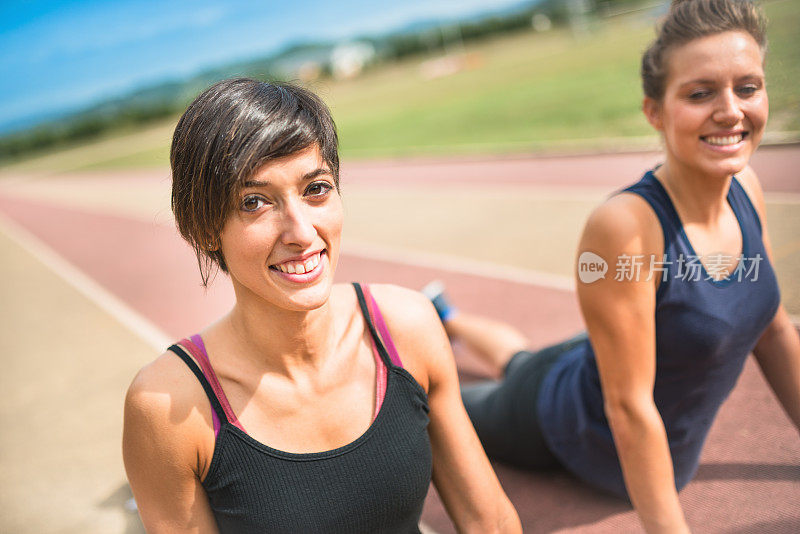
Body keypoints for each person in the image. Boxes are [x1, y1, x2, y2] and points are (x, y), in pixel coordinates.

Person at [425, 1, 800, 532]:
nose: (731, 110)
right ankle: (421, 336)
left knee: (519, 356)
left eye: (747, 87)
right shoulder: (626, 226)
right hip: (562, 420)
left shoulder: (746, 187)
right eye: (700, 93)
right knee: (442, 407)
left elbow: (775, 330)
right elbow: (627, 408)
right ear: (655, 111)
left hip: (589, 360)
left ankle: (446, 313)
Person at [122, 78, 520, 534]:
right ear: (205, 228)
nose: (301, 231)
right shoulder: (167, 406)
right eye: (254, 202)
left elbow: (487, 519)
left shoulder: (405, 327)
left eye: (316, 189)